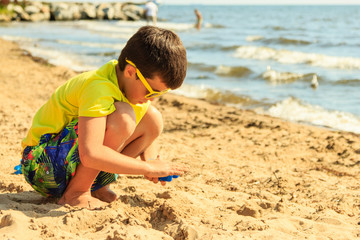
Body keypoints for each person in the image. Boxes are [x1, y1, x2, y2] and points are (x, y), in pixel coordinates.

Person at [20, 26, 188, 209]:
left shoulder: (124, 82)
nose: (153, 98)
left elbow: (148, 126)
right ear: (131, 72)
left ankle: (97, 186)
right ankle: (76, 193)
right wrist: (147, 169)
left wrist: (151, 160)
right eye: (152, 91)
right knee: (123, 119)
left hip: (64, 163)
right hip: (39, 165)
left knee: (153, 120)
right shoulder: (99, 87)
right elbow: (91, 153)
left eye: (161, 93)